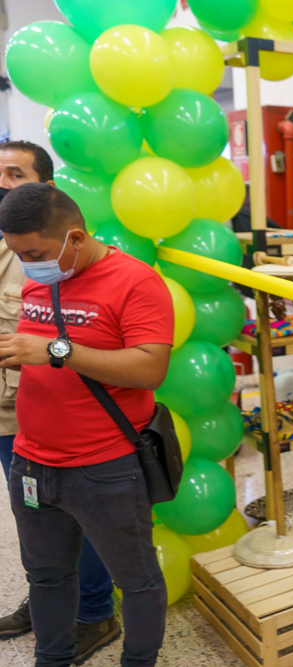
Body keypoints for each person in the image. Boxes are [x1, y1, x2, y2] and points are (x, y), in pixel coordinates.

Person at [0, 183, 172, 667]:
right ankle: (50, 660)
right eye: (17, 252)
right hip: (31, 462)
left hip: (106, 467)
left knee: (136, 580)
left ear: (75, 237)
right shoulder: (40, 280)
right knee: (46, 576)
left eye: (33, 252)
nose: (27, 262)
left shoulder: (136, 282)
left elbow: (149, 369)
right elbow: (38, 354)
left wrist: (56, 351)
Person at [0, 141, 121, 665]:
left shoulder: (53, 258)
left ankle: (94, 613)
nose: (2, 184)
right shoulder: (12, 244)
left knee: (78, 520)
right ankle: (49, 599)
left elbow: (120, 356)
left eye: (13, 173)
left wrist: (49, 350)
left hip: (49, 418)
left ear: (44, 188)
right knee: (37, 524)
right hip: (17, 420)